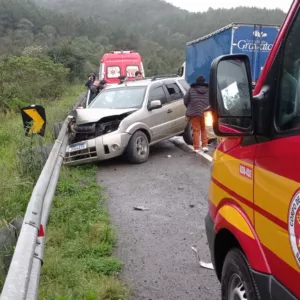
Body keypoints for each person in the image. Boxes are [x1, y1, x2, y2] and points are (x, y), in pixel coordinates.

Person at [184, 75, 209, 153]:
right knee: (204, 129)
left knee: (196, 130)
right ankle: (204, 146)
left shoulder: (191, 89)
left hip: (194, 113)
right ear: (204, 82)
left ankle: (196, 148)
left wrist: (189, 106)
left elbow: (186, 99)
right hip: (205, 112)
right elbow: (212, 100)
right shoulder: (208, 89)